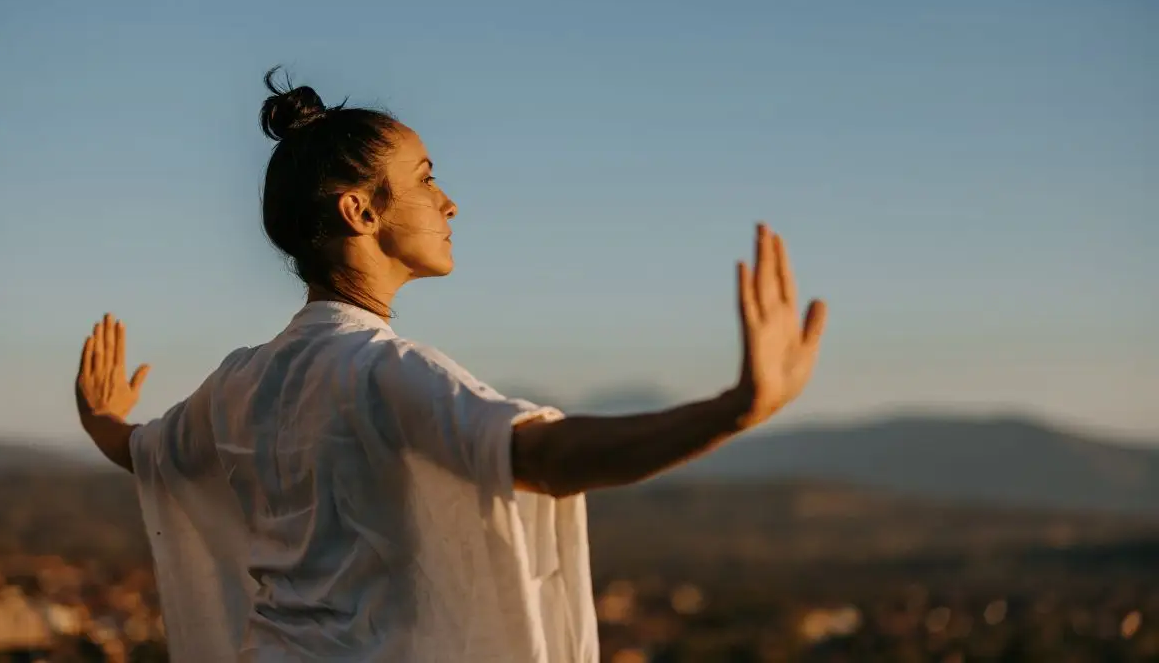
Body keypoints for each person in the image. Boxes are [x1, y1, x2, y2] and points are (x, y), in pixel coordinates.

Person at [74, 68, 828, 663]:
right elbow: (545, 456)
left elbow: (143, 451)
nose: (451, 203)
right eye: (428, 177)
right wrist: (735, 410)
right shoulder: (384, 371)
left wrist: (103, 417)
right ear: (360, 212)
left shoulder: (239, 381)